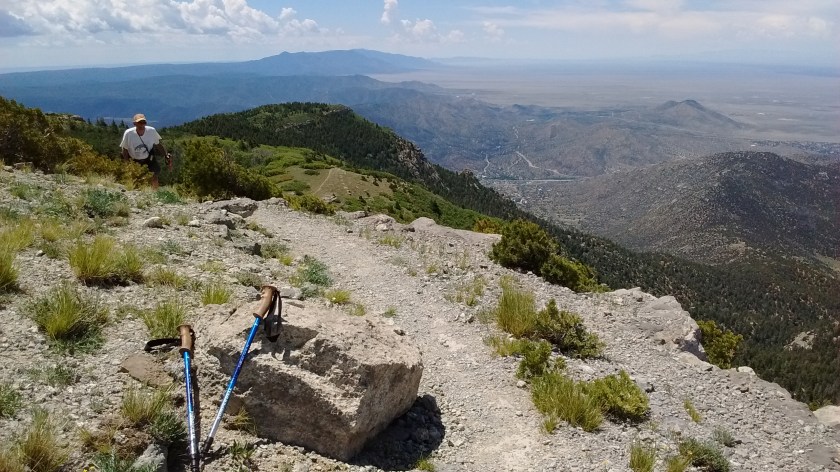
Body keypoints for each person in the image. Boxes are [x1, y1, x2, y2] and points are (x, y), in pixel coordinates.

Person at [120, 113, 170, 189]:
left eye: (144, 122)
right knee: (136, 179)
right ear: (134, 124)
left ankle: (155, 193)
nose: (142, 125)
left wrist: (165, 155)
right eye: (139, 122)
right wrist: (127, 163)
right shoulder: (128, 133)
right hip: (134, 160)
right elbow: (125, 149)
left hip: (148, 158)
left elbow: (158, 144)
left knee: (154, 175)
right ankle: (137, 192)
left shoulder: (151, 131)